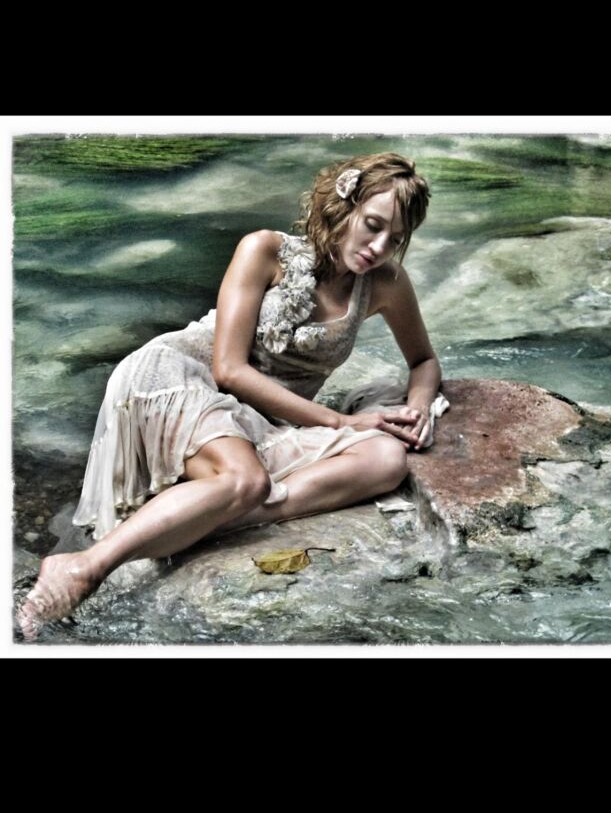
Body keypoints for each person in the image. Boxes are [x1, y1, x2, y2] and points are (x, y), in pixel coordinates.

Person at [16, 151, 448, 641]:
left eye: (395, 238)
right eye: (372, 225)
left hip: (263, 421)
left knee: (387, 460)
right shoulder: (264, 249)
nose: (379, 246)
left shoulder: (386, 284)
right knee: (246, 479)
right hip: (182, 378)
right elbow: (230, 370)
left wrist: (417, 409)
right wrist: (342, 422)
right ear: (344, 206)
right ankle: (84, 567)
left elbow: (424, 361)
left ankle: (197, 515)